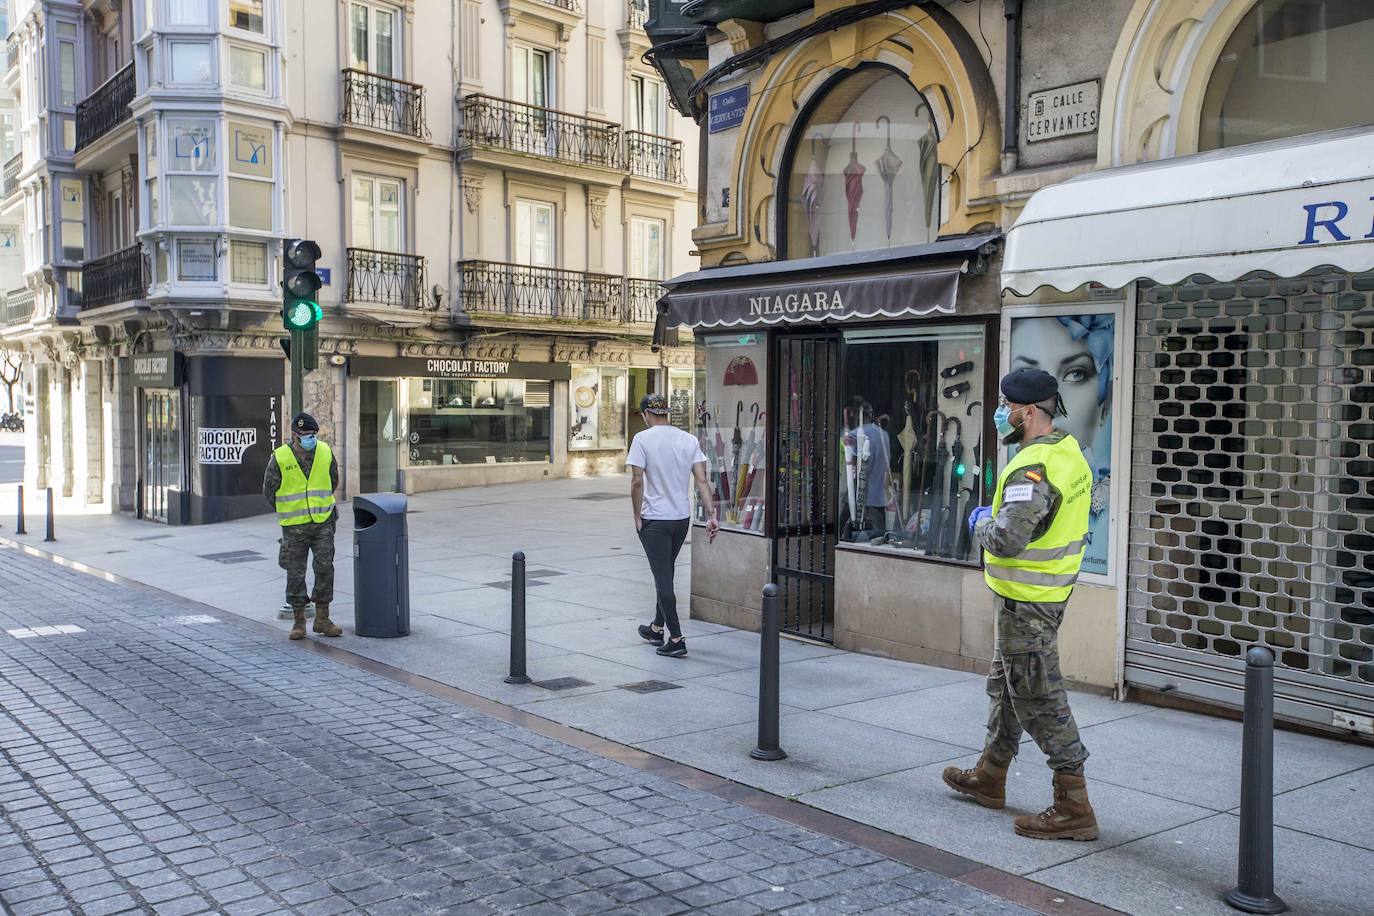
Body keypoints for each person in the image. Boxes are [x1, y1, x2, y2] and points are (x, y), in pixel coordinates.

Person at [943, 368, 1097, 841]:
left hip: (1027, 605)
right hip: (1041, 597)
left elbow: (1007, 539)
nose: (1000, 414)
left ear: (1028, 412)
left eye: (1006, 406)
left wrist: (980, 522)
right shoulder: (1069, 453)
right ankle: (991, 774)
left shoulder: (1033, 468)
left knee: (1040, 699)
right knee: (1007, 688)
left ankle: (1074, 804)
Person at [628, 393, 719, 657]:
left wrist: (637, 515)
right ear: (666, 413)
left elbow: (636, 481)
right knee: (665, 570)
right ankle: (656, 628)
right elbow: (702, 480)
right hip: (681, 518)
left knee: (663, 578)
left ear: (646, 414)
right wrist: (712, 515)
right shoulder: (688, 439)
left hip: (655, 519)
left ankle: (676, 638)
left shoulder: (642, 439)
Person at [264, 412, 342, 641]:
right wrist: (289, 509)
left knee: (325, 568)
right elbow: (269, 491)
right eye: (305, 435)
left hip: (322, 522)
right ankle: (299, 622)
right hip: (294, 527)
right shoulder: (280, 457)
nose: (309, 439)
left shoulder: (325, 452)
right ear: (295, 435)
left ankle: (322, 619)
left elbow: (333, 480)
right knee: (295, 573)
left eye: (312, 435)